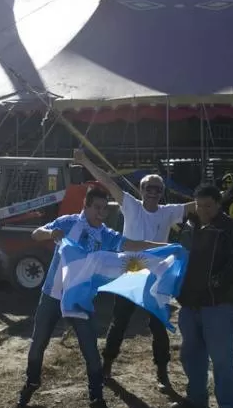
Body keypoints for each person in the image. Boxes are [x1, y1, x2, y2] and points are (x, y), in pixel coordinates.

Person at [18, 184, 168, 408]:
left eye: (104, 208)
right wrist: (51, 233)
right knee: (38, 344)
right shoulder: (68, 223)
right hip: (52, 296)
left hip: (79, 301)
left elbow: (131, 245)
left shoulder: (106, 235)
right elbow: (35, 234)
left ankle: (96, 396)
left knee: (90, 350)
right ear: (85, 207)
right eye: (96, 207)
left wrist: (163, 248)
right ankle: (32, 382)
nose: (101, 212)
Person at [72, 149, 196, 390]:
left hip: (155, 275)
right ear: (141, 190)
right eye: (148, 188)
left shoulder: (168, 211)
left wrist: (228, 194)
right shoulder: (130, 204)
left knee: (158, 325)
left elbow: (197, 206)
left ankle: (162, 371)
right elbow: (107, 181)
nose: (152, 192)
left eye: (157, 189)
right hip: (130, 269)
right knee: (120, 321)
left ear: (161, 193)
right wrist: (85, 160)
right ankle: (107, 364)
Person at [171, 183, 233, 408]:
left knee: (222, 358)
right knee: (191, 356)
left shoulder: (228, 228)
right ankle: (196, 399)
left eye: (209, 206)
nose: (203, 210)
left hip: (218, 305)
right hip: (189, 304)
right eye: (199, 205)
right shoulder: (189, 226)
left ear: (218, 204)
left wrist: (215, 282)